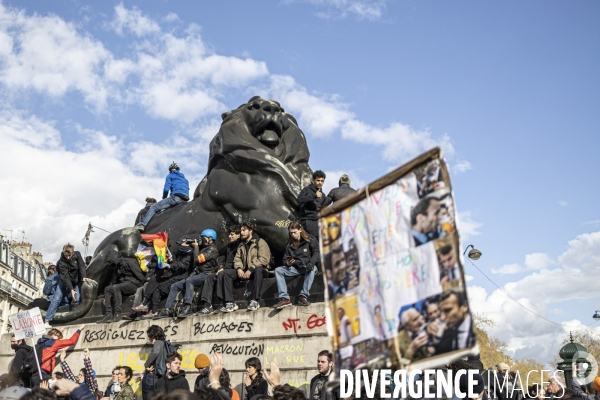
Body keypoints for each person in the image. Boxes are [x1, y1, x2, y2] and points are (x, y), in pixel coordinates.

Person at [155, 230, 219, 319]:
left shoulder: (212, 249)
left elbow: (198, 259)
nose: (202, 240)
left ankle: (188, 306)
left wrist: (196, 247)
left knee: (189, 280)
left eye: (203, 238)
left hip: (207, 274)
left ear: (210, 238)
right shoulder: (203, 248)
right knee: (175, 285)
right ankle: (166, 309)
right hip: (198, 274)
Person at [132, 238, 194, 318]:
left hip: (180, 278)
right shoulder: (181, 253)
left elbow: (182, 265)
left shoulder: (190, 255)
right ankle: (149, 308)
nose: (179, 246)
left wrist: (169, 264)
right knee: (154, 281)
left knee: (158, 286)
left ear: (187, 244)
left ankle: (149, 307)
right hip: (173, 275)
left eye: (181, 244)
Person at [273, 222, 319, 309]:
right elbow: (284, 260)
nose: (293, 235)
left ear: (300, 230)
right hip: (296, 268)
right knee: (278, 270)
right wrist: (288, 263)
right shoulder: (289, 244)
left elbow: (316, 253)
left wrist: (311, 263)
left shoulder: (310, 239)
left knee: (312, 269)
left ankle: (303, 296)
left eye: (295, 232)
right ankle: (285, 298)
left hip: (309, 266)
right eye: (291, 233)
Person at [134, 162, 189, 232]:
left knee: (154, 207)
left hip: (175, 198)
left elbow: (166, 189)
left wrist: (164, 197)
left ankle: (142, 225)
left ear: (170, 170)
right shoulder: (185, 180)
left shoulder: (170, 176)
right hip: (184, 200)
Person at [46, 244, 91, 328]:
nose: (67, 257)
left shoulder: (77, 254)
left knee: (77, 298)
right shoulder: (61, 262)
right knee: (57, 297)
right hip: (64, 279)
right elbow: (65, 277)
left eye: (69, 255)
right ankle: (48, 319)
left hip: (76, 279)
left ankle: (75, 317)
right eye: (66, 256)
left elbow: (82, 266)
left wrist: (84, 277)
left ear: (73, 253)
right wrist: (71, 289)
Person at [233, 221, 271, 311]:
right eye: (241, 230)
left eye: (244, 230)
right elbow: (237, 259)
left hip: (260, 271)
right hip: (245, 272)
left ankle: (255, 300)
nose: (241, 232)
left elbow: (264, 259)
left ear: (250, 231)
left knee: (258, 269)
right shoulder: (241, 245)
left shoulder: (260, 242)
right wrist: (239, 269)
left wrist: (251, 269)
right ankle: (229, 302)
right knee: (225, 274)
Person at [99, 250, 145, 323]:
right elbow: (114, 280)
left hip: (134, 284)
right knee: (107, 289)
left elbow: (140, 276)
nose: (109, 263)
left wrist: (140, 290)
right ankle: (108, 314)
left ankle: (118, 313)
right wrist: (106, 297)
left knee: (116, 287)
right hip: (123, 285)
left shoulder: (130, 261)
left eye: (110, 261)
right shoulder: (117, 266)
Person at [204, 225, 242, 313]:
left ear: (238, 235)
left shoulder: (241, 245)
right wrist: (221, 267)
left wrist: (224, 268)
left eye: (232, 234)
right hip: (225, 269)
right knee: (209, 277)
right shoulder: (229, 246)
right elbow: (221, 257)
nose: (229, 236)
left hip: (236, 270)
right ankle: (207, 305)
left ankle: (224, 302)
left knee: (223, 274)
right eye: (229, 234)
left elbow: (237, 262)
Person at [429, 289, 475, 354]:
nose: (442, 317)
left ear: (464, 306)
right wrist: (437, 339)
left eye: (447, 310)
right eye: (441, 312)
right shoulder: (447, 333)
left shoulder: (474, 331)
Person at [297, 170, 332, 237]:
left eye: (322, 181)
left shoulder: (323, 195)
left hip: (319, 221)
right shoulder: (306, 190)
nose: (320, 183)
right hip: (309, 220)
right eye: (318, 180)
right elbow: (299, 200)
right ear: (313, 180)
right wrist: (314, 196)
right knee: (315, 241)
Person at [141, 325, 165, 400]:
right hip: (161, 377)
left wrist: (146, 365)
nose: (149, 339)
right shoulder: (165, 344)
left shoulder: (158, 342)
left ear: (153, 335)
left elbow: (155, 353)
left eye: (149, 336)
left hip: (152, 376)